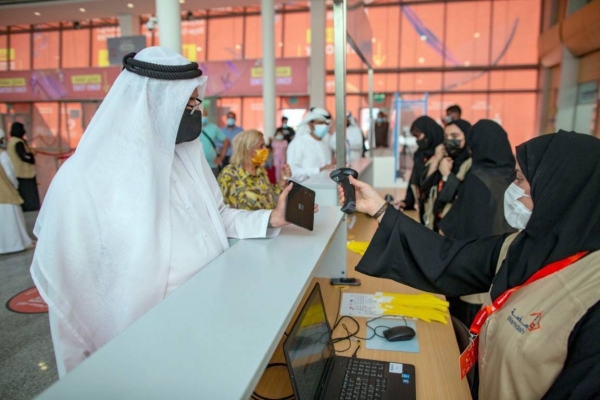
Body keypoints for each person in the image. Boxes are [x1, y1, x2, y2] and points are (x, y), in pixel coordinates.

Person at [29, 47, 310, 377]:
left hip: (209, 323)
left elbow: (218, 216)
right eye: (187, 103)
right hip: (144, 346)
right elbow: (71, 305)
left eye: (196, 102)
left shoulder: (185, 156)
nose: (195, 111)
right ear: (152, 102)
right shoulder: (84, 180)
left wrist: (270, 218)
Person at [339, 130, 600, 400]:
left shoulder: (591, 295)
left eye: (520, 179)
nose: (512, 189)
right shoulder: (523, 246)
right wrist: (379, 209)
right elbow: (447, 258)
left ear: (557, 187)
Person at [438, 120, 517, 326]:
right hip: (506, 275)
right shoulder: (516, 177)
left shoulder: (478, 178)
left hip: (475, 278)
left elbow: (456, 225)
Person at [218, 130, 291, 211]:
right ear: (248, 149)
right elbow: (220, 208)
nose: (265, 149)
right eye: (261, 146)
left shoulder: (261, 171)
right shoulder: (229, 174)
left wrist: (282, 181)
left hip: (265, 222)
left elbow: (270, 198)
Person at [420, 119, 472, 231]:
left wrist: (447, 175)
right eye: (446, 136)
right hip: (436, 223)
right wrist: (436, 160)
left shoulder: (471, 164)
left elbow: (463, 196)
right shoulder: (444, 159)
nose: (449, 140)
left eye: (454, 136)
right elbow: (425, 187)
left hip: (457, 227)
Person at [396, 116, 444, 224]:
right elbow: (415, 177)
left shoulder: (443, 153)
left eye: (418, 136)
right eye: (415, 137)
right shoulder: (419, 154)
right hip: (424, 206)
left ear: (429, 133)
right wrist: (408, 201)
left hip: (438, 208)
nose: (417, 141)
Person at [0, 130, 34, 254]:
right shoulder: (3, 155)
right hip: (7, 192)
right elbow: (10, 174)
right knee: (12, 221)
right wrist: (15, 185)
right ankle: (16, 244)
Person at [287, 110, 336, 182]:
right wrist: (319, 170)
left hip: (324, 188)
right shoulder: (298, 143)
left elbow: (326, 168)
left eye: (326, 123)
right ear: (310, 124)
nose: (324, 126)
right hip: (303, 190)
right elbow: (292, 172)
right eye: (320, 123)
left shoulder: (325, 144)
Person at [7, 122, 40, 211]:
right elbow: (23, 156)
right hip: (24, 174)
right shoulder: (18, 142)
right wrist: (31, 157)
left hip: (19, 173)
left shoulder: (13, 140)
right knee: (28, 195)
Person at [200, 112, 229, 177]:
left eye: (205, 115)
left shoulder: (213, 127)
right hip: (197, 166)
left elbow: (226, 142)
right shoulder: (191, 127)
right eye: (202, 115)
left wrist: (221, 157)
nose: (203, 117)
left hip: (212, 165)